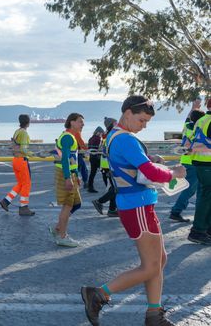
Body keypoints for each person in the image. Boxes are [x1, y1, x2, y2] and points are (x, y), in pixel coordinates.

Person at [81, 96, 186, 326]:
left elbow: (132, 164)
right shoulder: (126, 139)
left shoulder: (114, 136)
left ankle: (154, 314)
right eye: (141, 120)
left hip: (137, 205)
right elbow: (151, 173)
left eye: (147, 122)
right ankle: (99, 294)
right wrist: (174, 172)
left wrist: (150, 158)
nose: (144, 125)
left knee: (159, 260)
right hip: (137, 205)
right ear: (127, 113)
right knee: (151, 266)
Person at [49, 112, 85, 248]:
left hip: (70, 173)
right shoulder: (68, 137)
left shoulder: (70, 137)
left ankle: (57, 229)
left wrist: (76, 174)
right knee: (68, 205)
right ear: (72, 122)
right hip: (65, 173)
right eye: (80, 121)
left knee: (76, 204)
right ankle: (62, 236)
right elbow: (64, 159)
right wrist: (68, 178)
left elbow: (71, 159)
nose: (83, 124)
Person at [169, 109, 205, 223]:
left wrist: (193, 108)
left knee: (196, 188)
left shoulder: (187, 126)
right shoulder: (195, 130)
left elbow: (187, 119)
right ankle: (176, 211)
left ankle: (200, 214)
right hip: (192, 162)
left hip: (187, 161)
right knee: (190, 189)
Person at [0, 114, 34, 215]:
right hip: (22, 161)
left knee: (20, 184)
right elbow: (23, 149)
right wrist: (34, 154)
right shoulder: (23, 133)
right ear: (28, 122)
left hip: (15, 160)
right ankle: (23, 208)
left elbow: (15, 145)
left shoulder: (17, 131)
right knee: (27, 184)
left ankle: (5, 201)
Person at [187, 98, 211, 244]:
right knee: (206, 197)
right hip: (207, 163)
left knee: (206, 195)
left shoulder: (203, 120)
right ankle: (198, 231)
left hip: (201, 161)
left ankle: (205, 229)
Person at [92, 117, 119, 217]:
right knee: (116, 188)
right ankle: (99, 202)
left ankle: (112, 210)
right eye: (116, 123)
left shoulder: (107, 135)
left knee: (114, 187)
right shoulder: (111, 136)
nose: (118, 124)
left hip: (107, 165)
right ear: (111, 124)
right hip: (109, 166)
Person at [86, 126, 105, 193]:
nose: (101, 135)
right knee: (105, 172)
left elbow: (89, 148)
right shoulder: (99, 139)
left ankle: (90, 187)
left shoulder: (91, 138)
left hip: (92, 157)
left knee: (92, 173)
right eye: (101, 133)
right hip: (97, 158)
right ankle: (108, 186)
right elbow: (99, 149)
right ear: (98, 132)